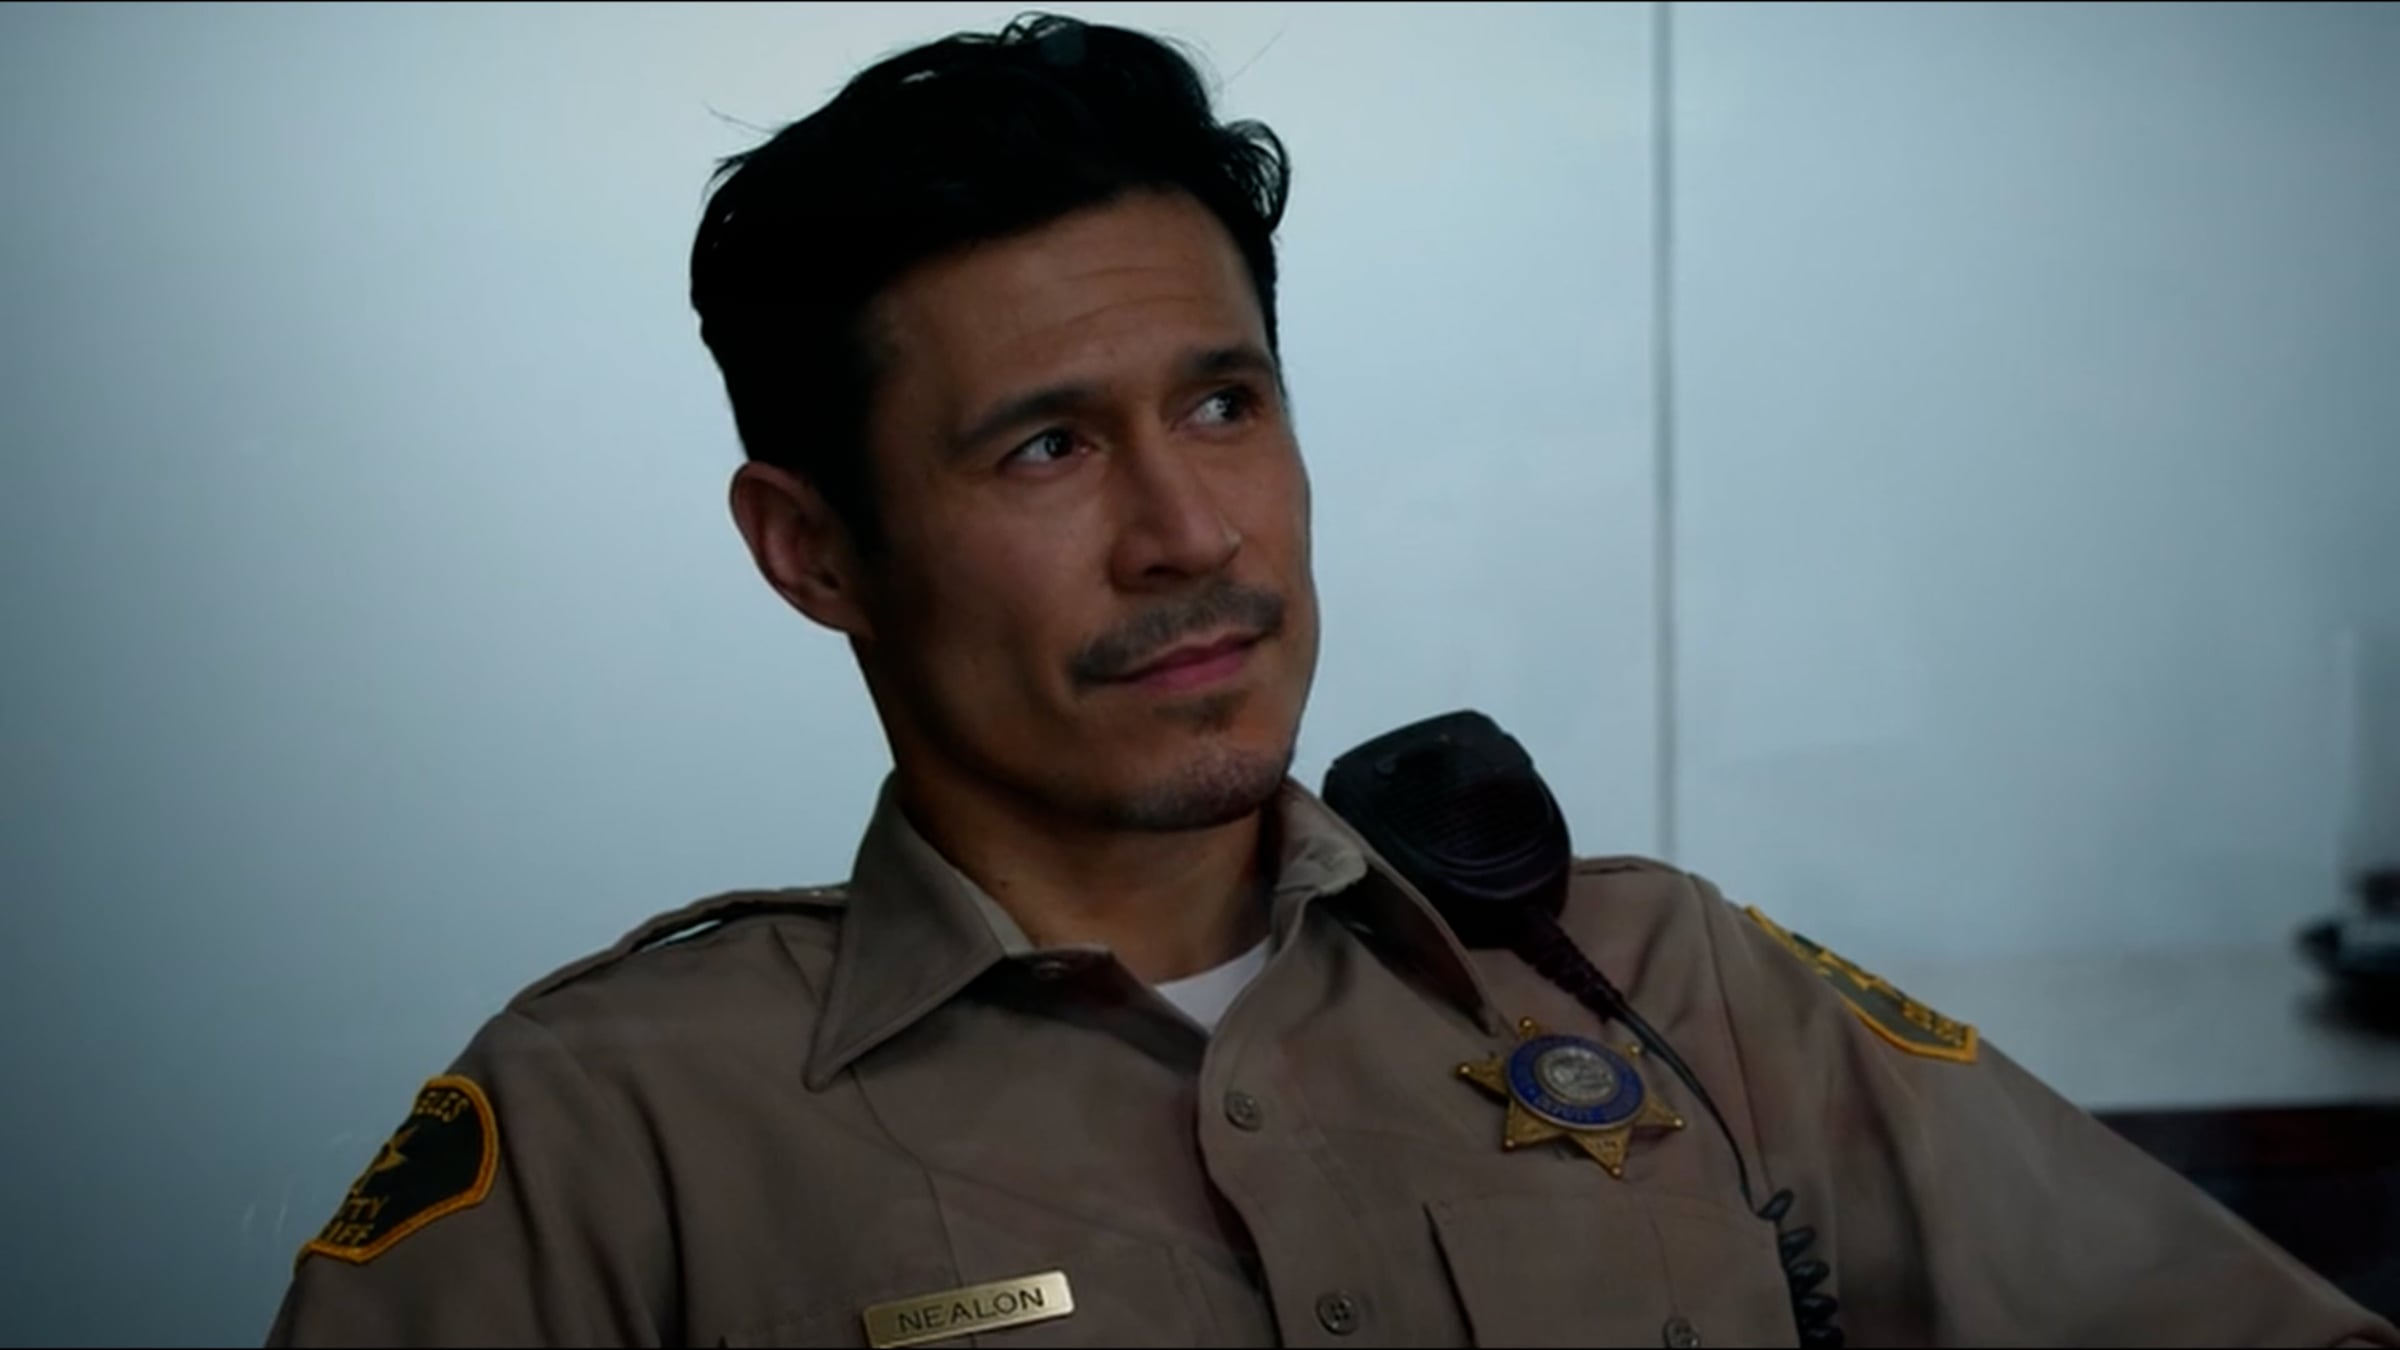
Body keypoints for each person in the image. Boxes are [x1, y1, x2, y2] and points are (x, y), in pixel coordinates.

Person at [266, 13, 2397, 1348]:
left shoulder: (1662, 987)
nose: (1190, 533)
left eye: (1224, 404)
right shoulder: (619, 1130)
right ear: (810, 550)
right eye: (1046, 448)